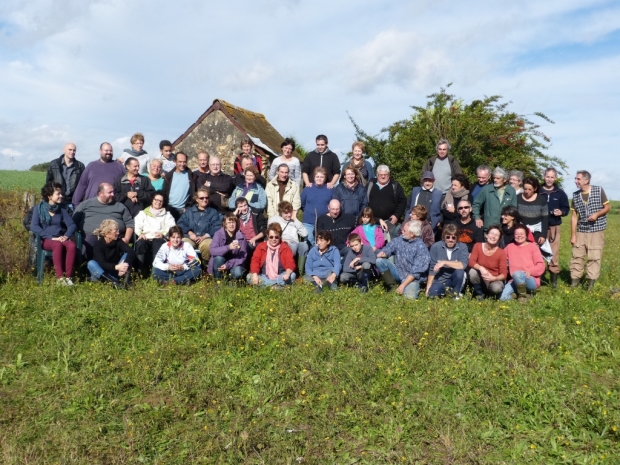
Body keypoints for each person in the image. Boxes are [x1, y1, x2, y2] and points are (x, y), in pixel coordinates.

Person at [569, 170, 610, 290]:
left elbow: (607, 207)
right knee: (577, 256)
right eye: (576, 179)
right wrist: (573, 235)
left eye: (578, 179)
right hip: (581, 230)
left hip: (596, 230)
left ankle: (590, 285)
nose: (575, 181)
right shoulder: (575, 195)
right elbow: (574, 216)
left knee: (594, 256)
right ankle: (574, 282)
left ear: (586, 180)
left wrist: (597, 214)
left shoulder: (598, 190)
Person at [30, 182, 77, 285]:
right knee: (57, 245)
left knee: (72, 245)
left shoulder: (62, 210)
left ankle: (68, 278)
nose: (61, 196)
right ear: (49, 196)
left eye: (61, 193)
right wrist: (51, 238)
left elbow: (72, 225)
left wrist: (66, 236)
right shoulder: (38, 209)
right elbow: (34, 226)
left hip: (59, 238)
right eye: (58, 194)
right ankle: (60, 278)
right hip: (45, 240)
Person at [72, 183, 134, 259]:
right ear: (100, 194)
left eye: (113, 192)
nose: (113, 194)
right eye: (109, 192)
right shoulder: (85, 205)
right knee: (89, 242)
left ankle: (113, 268)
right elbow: (73, 222)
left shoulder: (120, 206)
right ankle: (90, 267)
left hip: (114, 236)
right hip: (91, 236)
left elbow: (130, 223)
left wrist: (127, 238)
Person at [375, 220, 430, 299]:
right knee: (379, 261)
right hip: (399, 272)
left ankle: (403, 288)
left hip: (413, 279)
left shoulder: (421, 248)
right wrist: (384, 252)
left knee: (409, 299)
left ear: (412, 234)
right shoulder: (401, 239)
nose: (402, 231)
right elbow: (391, 246)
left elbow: (415, 273)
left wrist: (403, 285)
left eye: (404, 231)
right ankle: (392, 286)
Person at [500, 224, 546, 302]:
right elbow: (502, 261)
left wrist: (530, 271)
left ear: (526, 235)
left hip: (530, 279)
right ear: (514, 235)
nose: (519, 236)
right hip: (514, 280)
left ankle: (523, 296)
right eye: (516, 234)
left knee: (517, 273)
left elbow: (541, 265)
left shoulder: (533, 247)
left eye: (521, 234)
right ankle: (520, 294)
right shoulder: (509, 247)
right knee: (502, 297)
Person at [540, 167, 570, 288]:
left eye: (552, 177)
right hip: (539, 226)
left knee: (553, 254)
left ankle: (553, 282)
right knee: (539, 253)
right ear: (544, 177)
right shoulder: (538, 191)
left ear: (555, 178)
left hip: (554, 226)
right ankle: (540, 278)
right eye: (547, 176)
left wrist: (561, 212)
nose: (549, 179)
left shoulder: (560, 193)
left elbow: (566, 209)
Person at [87, 219, 135, 287]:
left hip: (115, 271)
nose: (118, 233)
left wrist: (124, 265)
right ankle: (114, 283)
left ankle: (125, 281)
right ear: (107, 234)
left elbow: (131, 251)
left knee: (127, 254)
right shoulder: (98, 245)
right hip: (102, 273)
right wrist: (116, 267)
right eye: (116, 231)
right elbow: (103, 263)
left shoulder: (118, 241)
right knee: (91, 263)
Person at [134, 192, 176, 272]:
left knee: (159, 244)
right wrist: (140, 233)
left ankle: (156, 271)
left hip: (159, 237)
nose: (158, 202)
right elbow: (137, 225)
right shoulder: (142, 213)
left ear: (163, 202)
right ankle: (140, 271)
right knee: (140, 243)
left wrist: (163, 233)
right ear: (152, 200)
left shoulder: (167, 214)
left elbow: (171, 226)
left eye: (161, 201)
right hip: (145, 237)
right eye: (156, 200)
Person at [177, 188, 221, 261]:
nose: (204, 200)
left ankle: (206, 264)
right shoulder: (189, 211)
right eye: (201, 198)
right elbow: (180, 223)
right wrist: (190, 233)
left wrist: (204, 236)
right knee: (184, 244)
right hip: (190, 237)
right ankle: (187, 264)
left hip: (206, 238)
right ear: (197, 199)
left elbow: (217, 226)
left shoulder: (213, 212)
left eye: (206, 197)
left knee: (208, 245)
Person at [248, 223, 296, 288]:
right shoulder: (261, 246)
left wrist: (287, 274)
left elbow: (290, 263)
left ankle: (267, 285)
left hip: (281, 276)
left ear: (280, 237)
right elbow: (255, 261)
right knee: (249, 277)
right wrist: (255, 275)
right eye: (271, 237)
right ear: (267, 236)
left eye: (276, 237)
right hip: (264, 275)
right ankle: (276, 286)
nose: (274, 239)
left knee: (292, 275)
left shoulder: (285, 247)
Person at [426, 224, 469, 298]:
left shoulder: (462, 247)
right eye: (448, 237)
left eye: (453, 237)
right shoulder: (436, 247)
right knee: (431, 294)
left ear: (457, 238)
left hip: (455, 278)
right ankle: (446, 292)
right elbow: (432, 270)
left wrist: (444, 262)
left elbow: (463, 265)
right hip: (440, 280)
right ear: (444, 237)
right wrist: (428, 288)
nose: (450, 240)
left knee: (460, 272)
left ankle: (456, 294)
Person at [468, 224, 507, 300]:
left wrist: (494, 278)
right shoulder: (478, 246)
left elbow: (504, 274)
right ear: (486, 235)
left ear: (499, 239)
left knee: (497, 288)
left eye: (496, 235)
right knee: (472, 272)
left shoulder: (501, 252)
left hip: (494, 279)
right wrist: (481, 268)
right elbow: (471, 262)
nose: (493, 236)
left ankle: (490, 296)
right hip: (481, 278)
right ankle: (479, 294)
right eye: (492, 233)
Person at [367, 165, 407, 237]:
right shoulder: (370, 185)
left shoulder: (395, 186)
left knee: (389, 244)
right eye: (380, 175)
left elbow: (402, 202)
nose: (383, 177)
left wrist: (397, 215)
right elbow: (364, 201)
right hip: (372, 222)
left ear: (389, 175)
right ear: (377, 175)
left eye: (385, 175)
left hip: (390, 223)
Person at [208, 213, 247, 280]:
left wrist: (228, 265)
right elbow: (212, 250)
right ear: (225, 224)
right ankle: (218, 280)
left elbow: (242, 256)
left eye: (233, 222)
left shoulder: (241, 236)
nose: (231, 225)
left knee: (238, 273)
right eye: (229, 222)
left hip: (234, 263)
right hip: (221, 261)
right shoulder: (218, 234)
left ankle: (229, 282)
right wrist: (228, 247)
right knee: (218, 258)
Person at [46, 142, 85, 211]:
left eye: (74, 150)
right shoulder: (54, 164)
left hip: (72, 202)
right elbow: (48, 182)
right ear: (64, 150)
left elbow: (83, 184)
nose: (72, 152)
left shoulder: (80, 166)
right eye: (70, 150)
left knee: (71, 221)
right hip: (57, 201)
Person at [300, 167, 333, 245]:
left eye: (322, 177)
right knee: (308, 243)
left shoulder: (330, 189)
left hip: (324, 222)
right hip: (308, 222)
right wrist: (309, 211)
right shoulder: (308, 189)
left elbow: (333, 204)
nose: (319, 179)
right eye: (317, 177)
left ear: (325, 178)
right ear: (314, 177)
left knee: (322, 244)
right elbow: (302, 203)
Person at [162, 151, 196, 220]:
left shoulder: (192, 176)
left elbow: (193, 194)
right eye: (180, 162)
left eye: (184, 162)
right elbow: (164, 193)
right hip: (170, 210)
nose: (182, 164)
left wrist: (188, 207)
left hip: (184, 211)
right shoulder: (168, 176)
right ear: (175, 161)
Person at [517, 177, 548, 246]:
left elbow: (545, 218)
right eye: (525, 189)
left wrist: (543, 235)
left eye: (529, 189)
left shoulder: (541, 200)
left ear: (535, 188)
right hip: (521, 231)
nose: (527, 191)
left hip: (537, 232)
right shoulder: (518, 198)